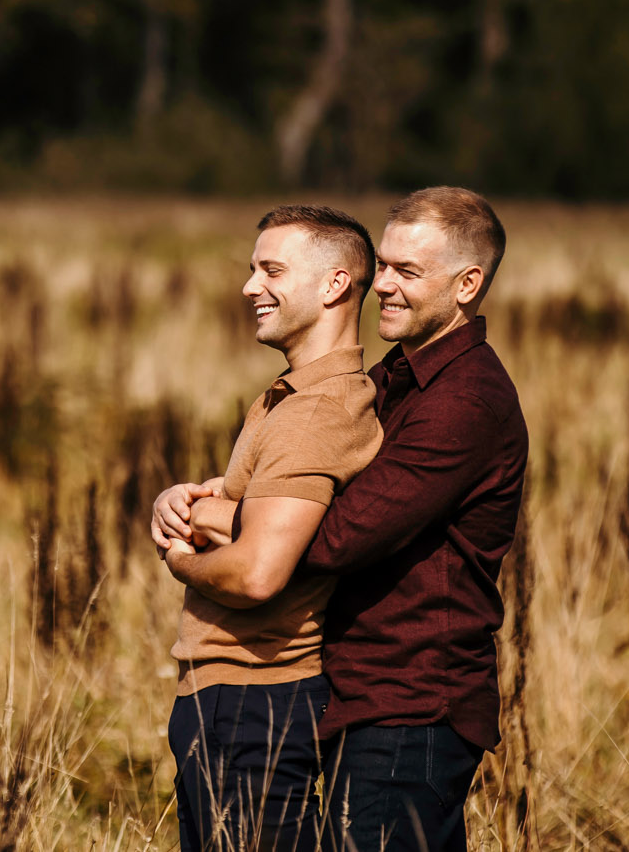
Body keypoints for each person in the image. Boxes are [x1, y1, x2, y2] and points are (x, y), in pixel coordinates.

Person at [181, 187, 526, 852]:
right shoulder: (395, 378)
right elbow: (316, 488)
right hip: (365, 696)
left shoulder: (465, 400)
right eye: (385, 265)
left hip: (413, 701)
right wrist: (220, 495)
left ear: (468, 284)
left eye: (406, 272)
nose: (383, 286)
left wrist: (222, 518)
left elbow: (337, 535)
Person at [150, 204, 382, 852]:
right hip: (231, 699)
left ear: (335, 284)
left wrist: (179, 558)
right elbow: (235, 504)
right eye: (252, 268)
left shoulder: (316, 414)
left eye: (271, 269)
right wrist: (184, 501)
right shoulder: (283, 399)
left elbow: (257, 571)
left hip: (258, 700)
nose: (250, 286)